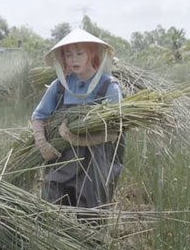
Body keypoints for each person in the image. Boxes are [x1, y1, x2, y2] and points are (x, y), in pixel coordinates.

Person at [30, 28, 124, 209]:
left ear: (92, 54)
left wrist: (78, 139)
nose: (74, 59)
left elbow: (115, 132)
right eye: (68, 54)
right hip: (61, 160)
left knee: (91, 218)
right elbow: (38, 116)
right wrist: (42, 143)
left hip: (96, 164)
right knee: (51, 212)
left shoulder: (108, 87)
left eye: (80, 53)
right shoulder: (59, 86)